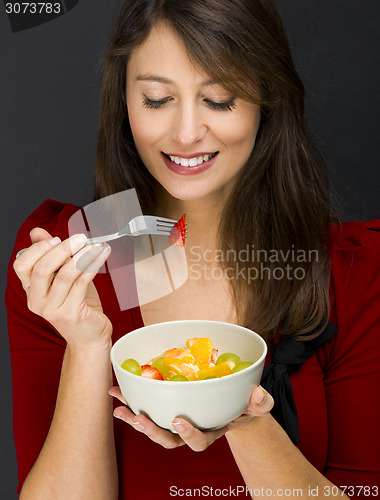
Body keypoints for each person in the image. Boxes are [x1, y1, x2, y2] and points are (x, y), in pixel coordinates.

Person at [5, 0, 380, 498]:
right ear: (125, 102)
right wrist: (87, 348)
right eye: (157, 99)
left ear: (268, 100)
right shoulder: (68, 262)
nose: (185, 135)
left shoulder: (350, 274)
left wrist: (243, 421)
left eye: (220, 99)